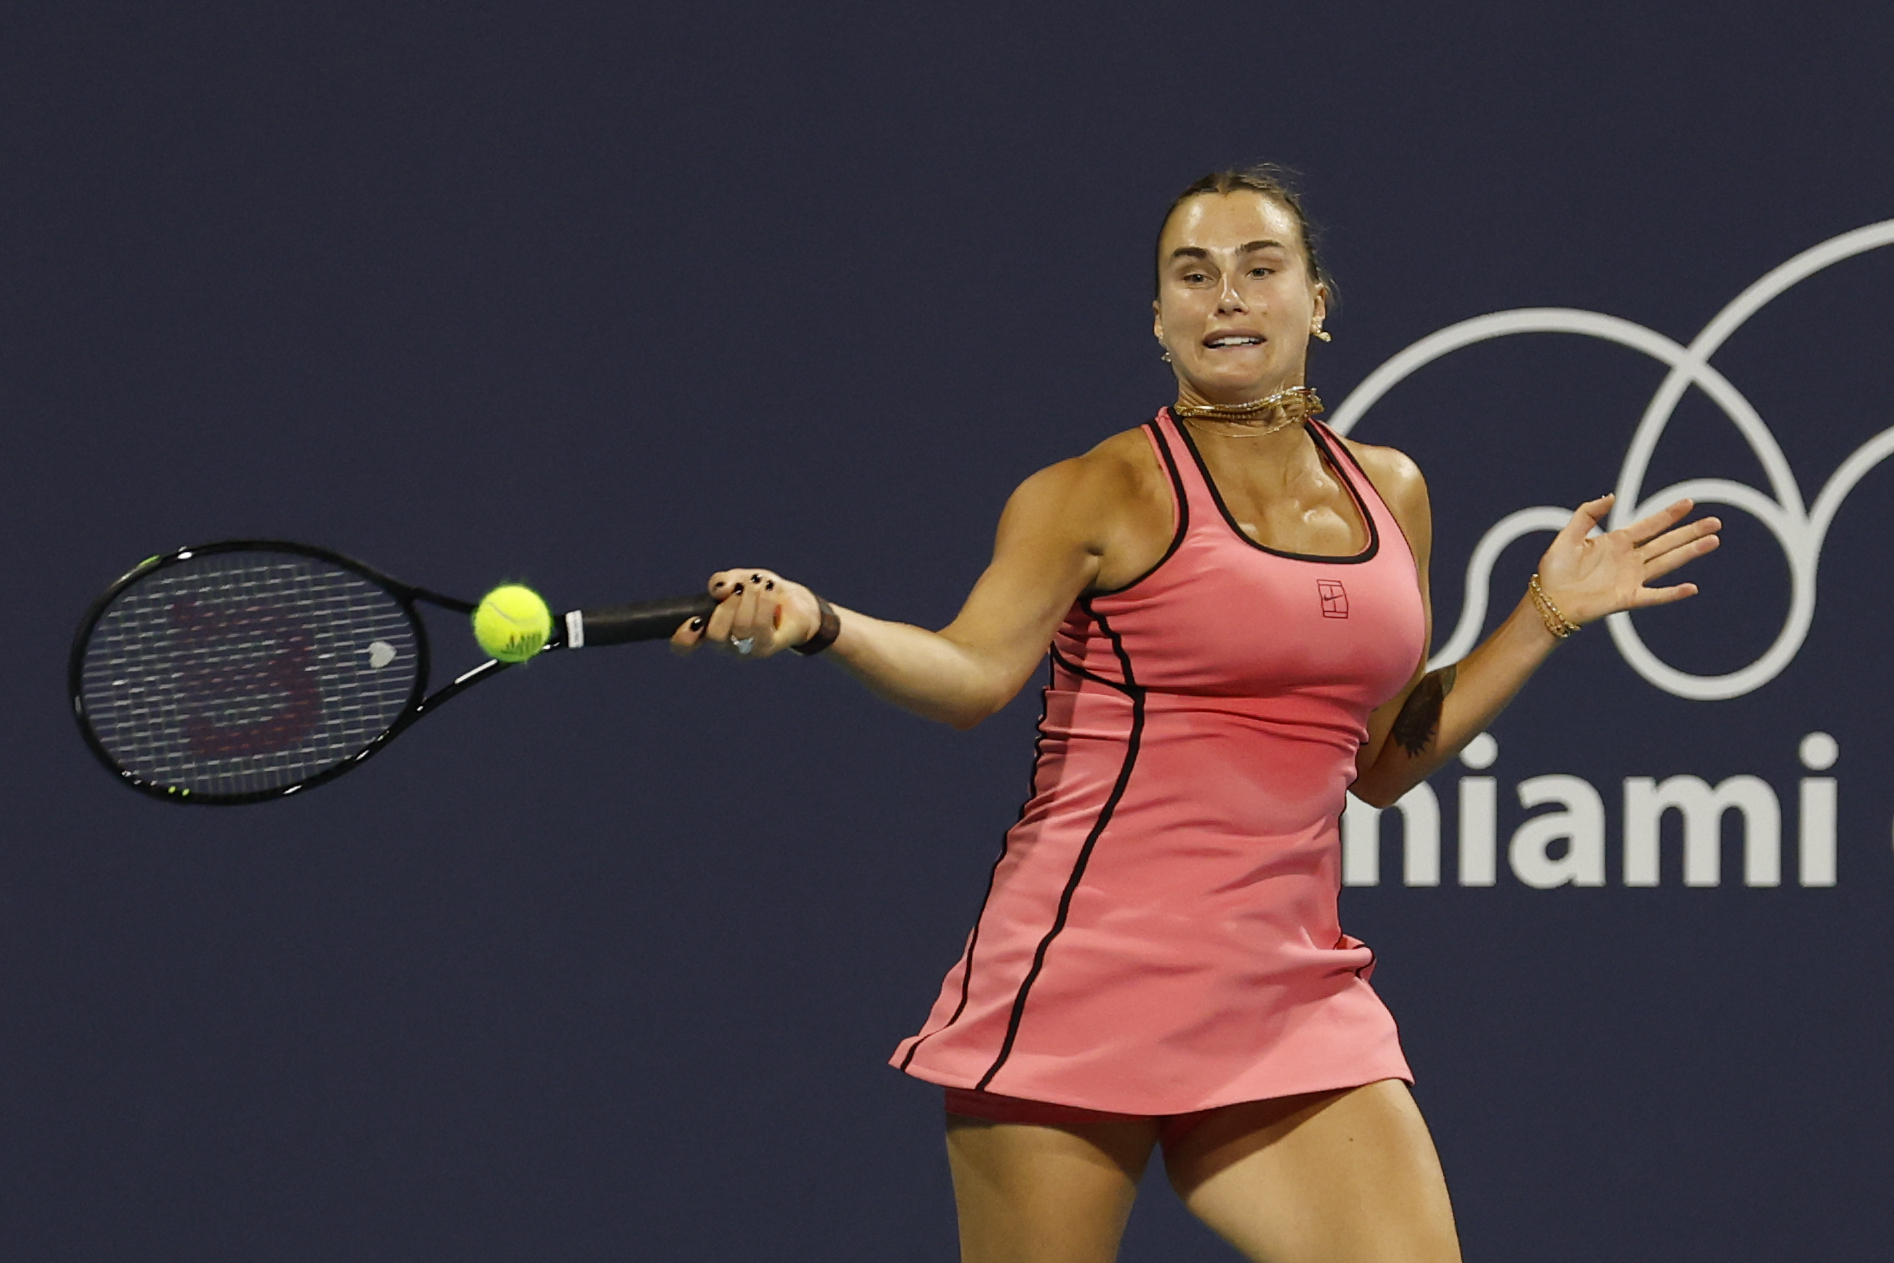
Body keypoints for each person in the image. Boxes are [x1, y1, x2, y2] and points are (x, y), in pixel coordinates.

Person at [670, 168, 1720, 1263]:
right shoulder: (1097, 490)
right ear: (1160, 315)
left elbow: (1373, 759)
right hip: (1083, 981)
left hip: (1289, 994)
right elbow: (970, 673)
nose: (1227, 297)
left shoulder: (1389, 490)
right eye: (1194, 274)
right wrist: (814, 618)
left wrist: (1546, 613)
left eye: (1260, 270)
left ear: (1315, 300)